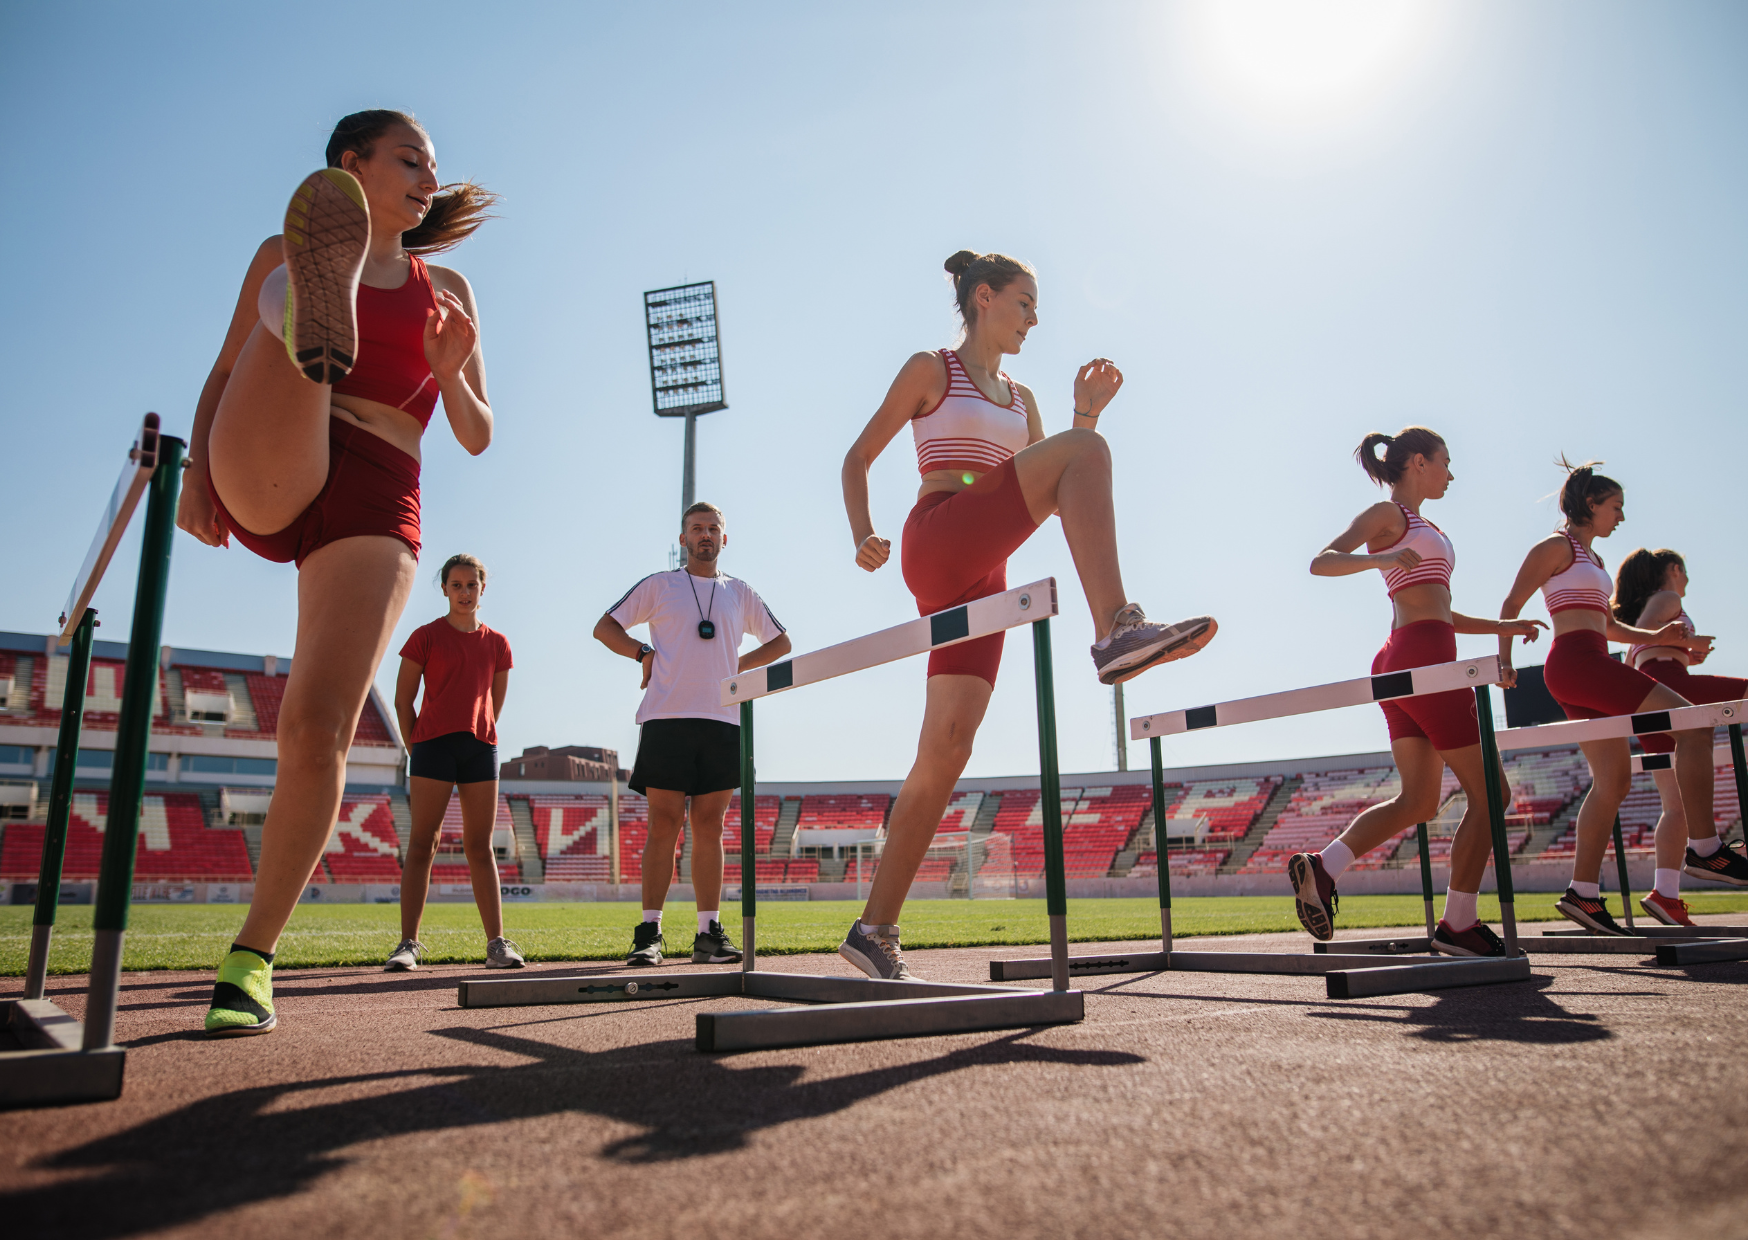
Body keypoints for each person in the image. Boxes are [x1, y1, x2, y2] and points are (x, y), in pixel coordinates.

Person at [181, 109, 497, 1036]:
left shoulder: (452, 290)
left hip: (376, 487)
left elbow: (477, 435)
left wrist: (453, 370)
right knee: (287, 286)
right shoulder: (276, 253)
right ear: (348, 165)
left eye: (434, 166)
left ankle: (251, 958)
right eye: (409, 160)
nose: (429, 178)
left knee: (315, 727)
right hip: (275, 445)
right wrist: (200, 468)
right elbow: (222, 367)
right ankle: (318, 313)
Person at [836, 249, 1217, 981]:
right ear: (984, 298)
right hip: (940, 536)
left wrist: (1082, 416)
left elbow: (1053, 493)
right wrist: (863, 534)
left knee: (946, 750)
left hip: (988, 570)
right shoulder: (931, 369)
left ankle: (872, 928)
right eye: (1025, 304)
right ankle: (1115, 629)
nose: (1035, 320)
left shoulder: (1021, 399)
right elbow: (857, 457)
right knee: (1087, 451)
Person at [1291, 428, 1546, 956]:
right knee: (1491, 793)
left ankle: (1324, 866)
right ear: (1419, 462)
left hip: (1409, 659)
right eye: (1447, 463)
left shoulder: (1428, 527)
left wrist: (1505, 625)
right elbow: (1321, 560)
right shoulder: (1389, 516)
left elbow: (1441, 611)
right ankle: (1458, 924)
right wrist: (1377, 560)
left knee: (1419, 800)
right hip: (1419, 659)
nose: (1452, 474)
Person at [1498, 462, 1715, 935]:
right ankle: (1705, 847)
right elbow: (1511, 605)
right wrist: (1504, 661)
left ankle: (1583, 894)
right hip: (1576, 664)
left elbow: (1610, 628)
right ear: (1591, 505)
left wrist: (1659, 635)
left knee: (1614, 781)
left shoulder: (1594, 563)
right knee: (1694, 723)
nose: (1621, 516)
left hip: (1591, 661)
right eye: (1615, 507)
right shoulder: (1556, 547)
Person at [592, 503, 792, 967]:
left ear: (725, 539)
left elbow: (781, 641)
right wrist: (642, 652)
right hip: (667, 717)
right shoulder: (660, 585)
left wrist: (738, 666)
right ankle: (649, 932)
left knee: (710, 827)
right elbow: (605, 627)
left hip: (722, 721)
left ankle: (707, 932)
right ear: (683, 538)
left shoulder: (739, 593)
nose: (705, 535)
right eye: (697, 529)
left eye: (713, 529)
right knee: (664, 824)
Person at [387, 554, 520, 969]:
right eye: (457, 585)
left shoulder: (497, 643)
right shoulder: (424, 637)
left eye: (472, 585)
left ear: (483, 589)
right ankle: (408, 944)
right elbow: (402, 701)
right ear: (444, 589)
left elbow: (494, 705)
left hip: (480, 748)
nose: (465, 593)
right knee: (423, 843)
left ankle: (497, 945)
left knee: (480, 847)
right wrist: (417, 747)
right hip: (431, 747)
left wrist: (476, 731)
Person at [1612, 547, 1748, 924]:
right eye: (1685, 573)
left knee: (1677, 806)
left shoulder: (1648, 606)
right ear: (1674, 569)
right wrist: (1690, 644)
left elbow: (1635, 654)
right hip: (1670, 685)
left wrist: (1684, 648)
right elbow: (1647, 641)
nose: (1687, 582)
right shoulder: (1668, 597)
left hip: (1650, 701)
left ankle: (1665, 893)